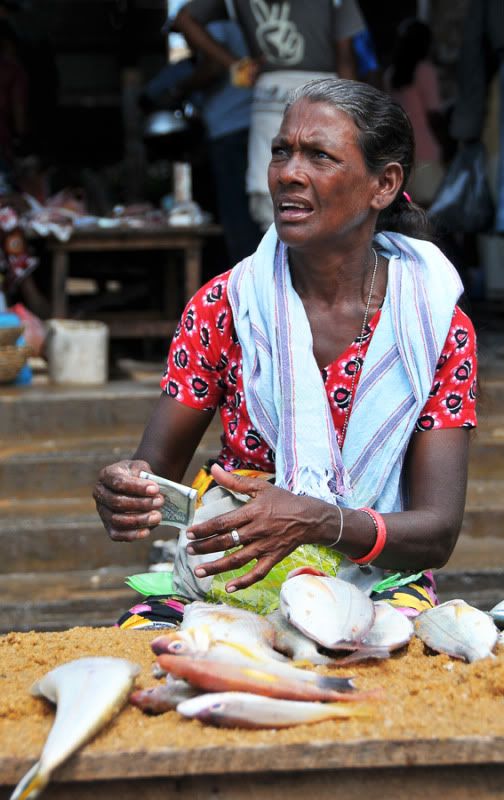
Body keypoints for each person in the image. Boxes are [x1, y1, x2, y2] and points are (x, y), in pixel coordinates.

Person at [94, 78, 477, 630]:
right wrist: (127, 491)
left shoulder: (436, 326)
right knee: (146, 651)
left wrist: (319, 521)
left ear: (384, 184)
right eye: (281, 151)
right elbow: (154, 471)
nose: (288, 173)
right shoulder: (225, 307)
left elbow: (436, 532)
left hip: (377, 588)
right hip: (224, 578)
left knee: (390, 665)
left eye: (319, 155)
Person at [169, 0, 365, 231]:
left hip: (271, 100)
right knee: (328, 195)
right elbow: (346, 58)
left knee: (271, 205)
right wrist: (354, 120)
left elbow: (183, 19)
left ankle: (279, 264)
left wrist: (235, 64)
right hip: (325, 97)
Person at [142, 18, 261, 265]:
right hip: (249, 124)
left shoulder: (211, 22)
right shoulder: (242, 20)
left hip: (230, 129)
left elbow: (215, 66)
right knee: (252, 214)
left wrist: (181, 88)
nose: (186, 41)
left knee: (238, 220)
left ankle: (244, 289)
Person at [384, 19, 446, 208]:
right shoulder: (425, 71)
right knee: (431, 210)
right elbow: (434, 115)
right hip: (428, 149)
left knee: (409, 210)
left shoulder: (391, 75)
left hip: (402, 151)